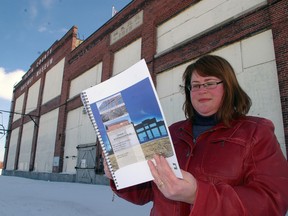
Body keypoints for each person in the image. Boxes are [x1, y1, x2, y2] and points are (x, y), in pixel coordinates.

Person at [103, 55, 288, 215]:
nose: (202, 90)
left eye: (209, 83)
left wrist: (198, 194)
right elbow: (147, 192)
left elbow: (272, 202)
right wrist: (120, 175)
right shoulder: (174, 132)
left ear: (228, 86)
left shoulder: (256, 132)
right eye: (196, 85)